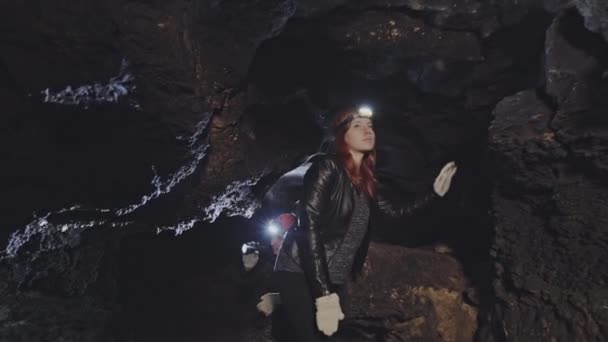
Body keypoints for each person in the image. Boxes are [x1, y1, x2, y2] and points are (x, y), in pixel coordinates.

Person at [259, 106, 458, 341]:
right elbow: (308, 226)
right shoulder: (326, 168)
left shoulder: (366, 180)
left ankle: (283, 301)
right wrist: (323, 296)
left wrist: (433, 194)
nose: (367, 130)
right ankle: (286, 299)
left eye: (370, 126)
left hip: (335, 274)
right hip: (299, 269)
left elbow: (395, 213)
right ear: (342, 136)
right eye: (357, 126)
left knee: (331, 333)